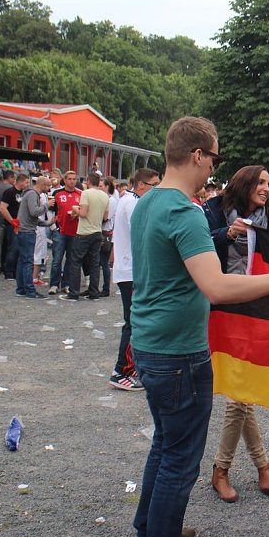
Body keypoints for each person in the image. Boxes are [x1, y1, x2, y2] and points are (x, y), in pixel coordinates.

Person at [130, 116, 269, 537]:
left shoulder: (147, 203)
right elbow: (216, 286)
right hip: (178, 352)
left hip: (149, 342)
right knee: (179, 458)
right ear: (198, 155)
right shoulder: (186, 212)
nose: (213, 167)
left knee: (166, 445)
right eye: (214, 157)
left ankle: (152, 531)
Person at [203, 164, 269, 502]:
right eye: (261, 182)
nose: (267, 188)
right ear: (246, 183)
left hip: (257, 305)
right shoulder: (215, 210)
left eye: (268, 183)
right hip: (223, 304)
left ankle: (232, 469)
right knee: (241, 389)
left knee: (242, 388)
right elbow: (198, 247)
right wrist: (227, 234)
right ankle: (242, 467)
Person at [109, 168, 159, 392]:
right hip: (131, 271)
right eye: (154, 185)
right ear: (141, 185)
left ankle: (133, 367)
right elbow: (145, 233)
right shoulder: (133, 203)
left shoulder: (129, 199)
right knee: (134, 321)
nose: (156, 189)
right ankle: (122, 371)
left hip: (129, 269)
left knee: (135, 320)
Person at [62, 175, 109, 301]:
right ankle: (94, 292)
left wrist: (74, 209)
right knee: (94, 264)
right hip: (97, 232)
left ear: (88, 181)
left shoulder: (86, 193)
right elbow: (106, 217)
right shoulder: (105, 195)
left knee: (76, 261)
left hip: (84, 232)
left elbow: (83, 214)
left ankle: (73, 293)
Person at [15, 176, 54, 299]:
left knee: (22, 261)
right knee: (28, 262)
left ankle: (21, 289)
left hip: (23, 230)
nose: (48, 189)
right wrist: (47, 205)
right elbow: (34, 212)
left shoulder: (29, 194)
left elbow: (31, 217)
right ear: (42, 185)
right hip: (27, 232)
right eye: (48, 186)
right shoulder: (33, 195)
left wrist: (48, 223)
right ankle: (29, 290)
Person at [49, 170, 80, 294]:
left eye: (74, 179)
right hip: (60, 231)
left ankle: (66, 283)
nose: (72, 181)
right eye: (69, 179)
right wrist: (52, 225)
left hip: (74, 231)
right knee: (57, 259)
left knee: (70, 259)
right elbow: (51, 210)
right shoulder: (56, 193)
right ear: (65, 180)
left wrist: (76, 215)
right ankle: (54, 284)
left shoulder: (80, 194)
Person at [0, 173, 29, 280]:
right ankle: (9, 272)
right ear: (20, 181)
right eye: (26, 182)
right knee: (13, 248)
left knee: (19, 249)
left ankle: (16, 271)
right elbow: (2, 208)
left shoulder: (25, 193)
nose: (27, 184)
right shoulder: (10, 192)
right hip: (12, 225)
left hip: (23, 225)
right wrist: (12, 221)